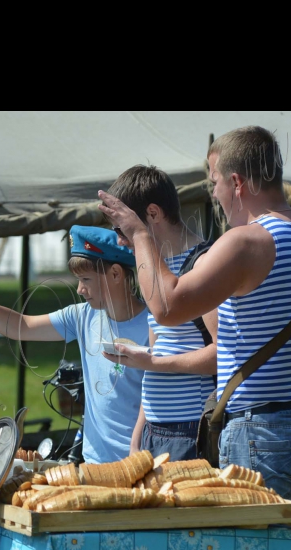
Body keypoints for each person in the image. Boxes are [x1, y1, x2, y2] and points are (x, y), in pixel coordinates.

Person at [98, 125, 291, 550]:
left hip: (266, 431)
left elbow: (166, 305)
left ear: (237, 182)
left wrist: (138, 234)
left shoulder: (245, 242)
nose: (213, 193)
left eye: (214, 180)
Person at [0, 225, 149, 464]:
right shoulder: (82, 316)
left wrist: (136, 449)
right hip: (94, 461)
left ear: (116, 274)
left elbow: (155, 398)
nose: (79, 289)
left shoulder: (153, 326)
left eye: (85, 279)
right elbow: (20, 326)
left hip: (139, 459)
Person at [101, 165, 217, 461]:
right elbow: (158, 349)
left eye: (122, 229)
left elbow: (222, 356)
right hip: (155, 429)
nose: (120, 241)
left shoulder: (204, 264)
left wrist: (151, 362)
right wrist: (139, 431)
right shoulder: (152, 269)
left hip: (191, 428)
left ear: (153, 213)